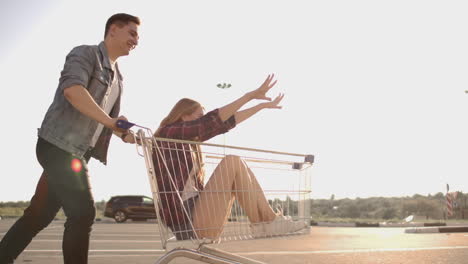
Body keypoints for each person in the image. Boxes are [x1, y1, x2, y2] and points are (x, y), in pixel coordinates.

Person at [0, 13, 141, 264]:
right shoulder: (85, 54)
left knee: (39, 215)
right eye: (132, 32)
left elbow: (105, 121)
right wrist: (110, 122)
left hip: (78, 151)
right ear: (113, 30)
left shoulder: (118, 78)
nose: (136, 39)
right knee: (83, 213)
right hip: (57, 145)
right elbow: (73, 91)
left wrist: (124, 133)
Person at [152, 74, 307, 240]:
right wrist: (248, 96)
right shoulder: (168, 132)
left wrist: (260, 107)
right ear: (183, 116)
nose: (202, 121)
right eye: (198, 117)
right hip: (186, 219)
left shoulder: (187, 142)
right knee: (231, 161)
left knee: (238, 164)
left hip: (199, 211)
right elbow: (209, 123)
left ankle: (264, 224)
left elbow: (225, 123)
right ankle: (269, 222)